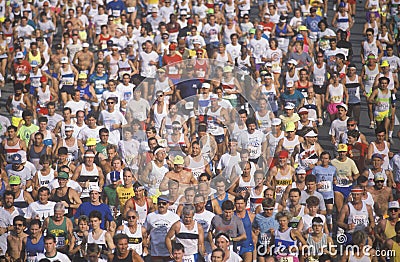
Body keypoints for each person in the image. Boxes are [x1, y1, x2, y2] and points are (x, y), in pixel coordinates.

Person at [146, 195, 180, 261]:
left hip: (169, 252)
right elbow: (146, 231)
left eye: (164, 203)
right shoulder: (150, 216)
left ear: (168, 204)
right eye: (159, 203)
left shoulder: (175, 217)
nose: (161, 205)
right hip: (155, 252)